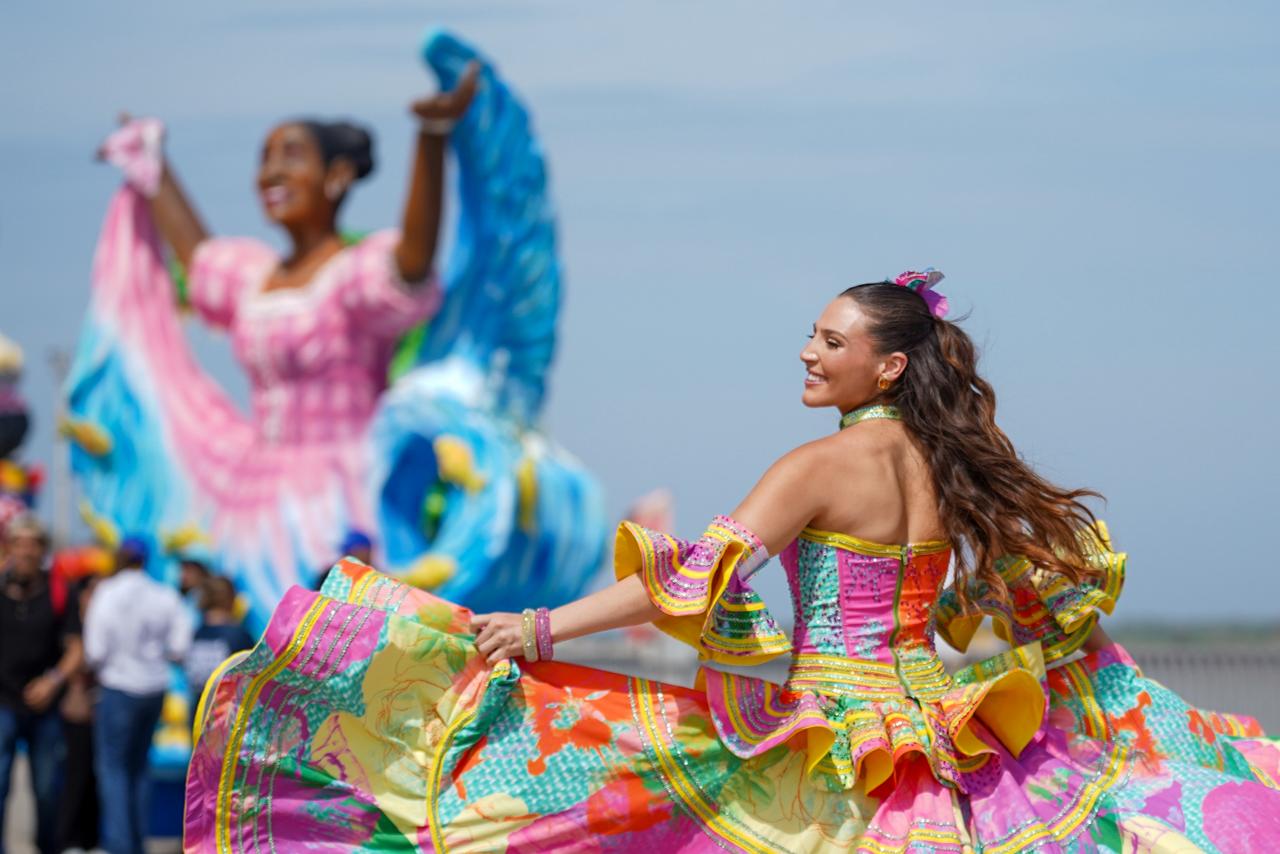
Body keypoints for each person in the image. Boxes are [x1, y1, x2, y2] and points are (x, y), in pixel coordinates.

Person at [186, 271, 1279, 851]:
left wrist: (539, 627)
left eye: (829, 339)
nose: (807, 351)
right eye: (811, 334)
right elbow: (1023, 603)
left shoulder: (817, 464)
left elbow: (693, 579)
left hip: (826, 748)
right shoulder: (954, 470)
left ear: (886, 362)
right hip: (944, 742)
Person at [84, 536, 192, 854]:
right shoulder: (163, 594)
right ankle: (137, 840)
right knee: (140, 767)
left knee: (113, 769)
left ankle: (120, 844)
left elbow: (95, 650)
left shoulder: (107, 593)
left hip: (119, 686)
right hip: (154, 687)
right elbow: (179, 646)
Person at [0, 515, 81, 854]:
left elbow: (77, 649)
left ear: (42, 550)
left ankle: (48, 846)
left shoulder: (60, 591)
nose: (25, 551)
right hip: (3, 702)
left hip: (45, 707)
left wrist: (53, 681)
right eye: (19, 543)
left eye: (32, 544)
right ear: (9, 548)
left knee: (47, 789)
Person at [57, 573, 102, 854]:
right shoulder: (75, 623)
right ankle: (69, 840)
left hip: (99, 710)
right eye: (92, 592)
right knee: (75, 776)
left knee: (95, 778)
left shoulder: (105, 620)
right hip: (76, 711)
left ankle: (90, 839)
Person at [183, 576, 254, 726]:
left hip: (199, 713)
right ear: (231, 599)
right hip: (227, 717)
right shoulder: (238, 635)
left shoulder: (198, 633)